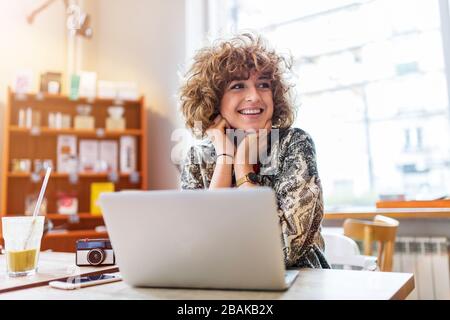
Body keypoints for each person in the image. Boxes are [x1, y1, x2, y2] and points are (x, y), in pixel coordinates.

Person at [179, 33, 330, 269]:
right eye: (238, 86)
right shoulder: (197, 158)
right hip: (223, 286)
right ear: (214, 99)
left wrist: (243, 168)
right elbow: (197, 248)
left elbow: (282, 251)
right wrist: (224, 160)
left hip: (297, 284)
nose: (254, 96)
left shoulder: (294, 143)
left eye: (263, 85)